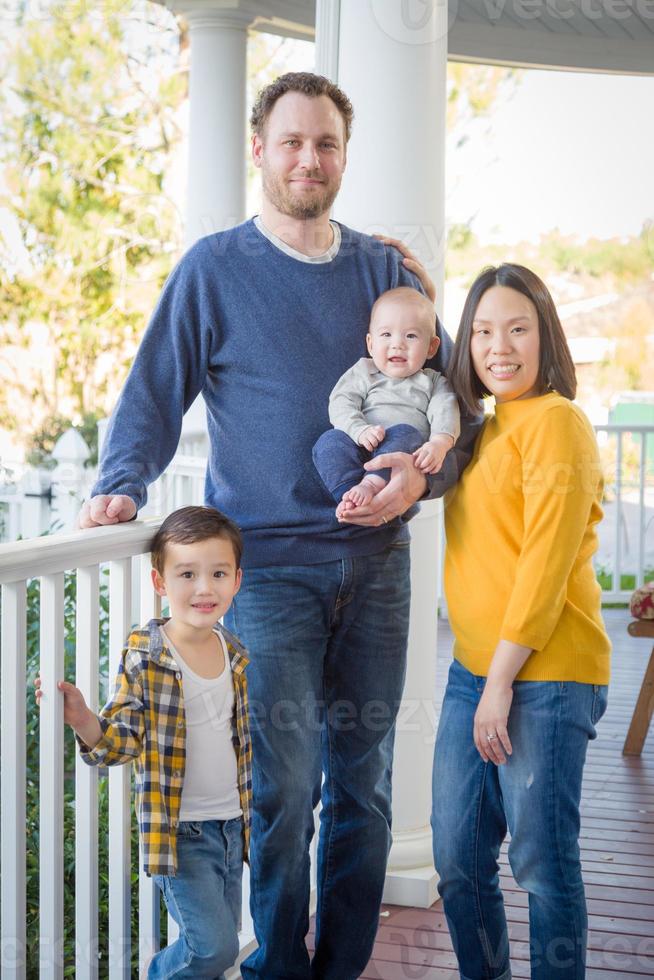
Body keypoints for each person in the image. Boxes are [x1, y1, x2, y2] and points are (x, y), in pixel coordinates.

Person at [77, 71, 480, 979]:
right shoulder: (214, 270)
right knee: (285, 791)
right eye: (292, 141)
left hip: (378, 566)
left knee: (364, 789)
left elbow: (455, 410)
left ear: (344, 156)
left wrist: (413, 488)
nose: (310, 158)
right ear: (259, 149)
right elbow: (153, 390)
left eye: (327, 144)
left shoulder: (386, 272)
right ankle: (277, 970)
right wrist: (121, 485)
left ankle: (339, 967)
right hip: (269, 577)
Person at [431, 264, 611, 980]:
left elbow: (545, 561)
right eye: (481, 331)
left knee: (540, 863)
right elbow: (415, 340)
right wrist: (403, 272)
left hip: (544, 677)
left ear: (546, 336)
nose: (498, 346)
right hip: (472, 671)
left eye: (517, 328)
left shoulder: (558, 422)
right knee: (456, 858)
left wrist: (500, 684)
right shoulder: (482, 426)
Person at [37, 506, 251, 980]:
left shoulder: (233, 651)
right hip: (181, 835)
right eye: (187, 574)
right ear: (160, 583)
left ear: (237, 580)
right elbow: (121, 741)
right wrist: (84, 720)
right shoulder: (148, 654)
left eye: (218, 573)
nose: (204, 588)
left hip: (232, 826)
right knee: (211, 950)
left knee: (223, 943)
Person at [313, 286, 460, 516]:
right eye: (386, 335)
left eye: (411, 336)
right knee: (328, 442)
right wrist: (358, 429)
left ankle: (372, 485)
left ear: (431, 347)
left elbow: (446, 411)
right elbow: (341, 401)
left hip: (400, 454)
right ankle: (349, 494)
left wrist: (439, 443)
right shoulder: (364, 371)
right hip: (360, 443)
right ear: (371, 344)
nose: (397, 344)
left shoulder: (433, 382)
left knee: (405, 431)